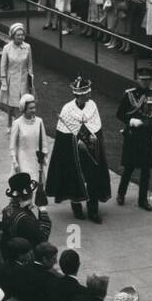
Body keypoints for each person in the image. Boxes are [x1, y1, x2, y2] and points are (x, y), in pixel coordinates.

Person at [45, 78, 110, 223]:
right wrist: (75, 142)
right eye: (87, 93)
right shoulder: (67, 109)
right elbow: (63, 136)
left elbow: (96, 128)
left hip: (91, 152)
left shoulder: (92, 106)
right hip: (74, 154)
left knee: (92, 180)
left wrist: (94, 138)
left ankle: (93, 211)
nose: (89, 95)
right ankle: (77, 208)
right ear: (80, 95)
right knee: (74, 179)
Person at [115, 75, 152, 210]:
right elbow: (120, 113)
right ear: (138, 80)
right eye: (143, 80)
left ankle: (143, 200)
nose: (145, 82)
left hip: (147, 136)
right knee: (129, 167)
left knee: (146, 170)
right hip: (133, 135)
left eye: (148, 80)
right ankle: (121, 194)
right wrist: (130, 121)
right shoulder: (130, 94)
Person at [8, 93, 47, 187]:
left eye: (34, 107)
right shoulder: (17, 124)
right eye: (30, 108)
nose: (34, 110)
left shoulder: (39, 121)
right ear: (24, 109)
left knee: (36, 185)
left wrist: (44, 157)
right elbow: (12, 146)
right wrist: (14, 161)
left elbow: (44, 142)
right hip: (23, 159)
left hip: (36, 160)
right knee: (26, 186)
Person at [0, 23, 33, 107]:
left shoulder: (27, 47)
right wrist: (4, 82)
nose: (21, 37)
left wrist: (31, 82)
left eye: (22, 35)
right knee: (11, 105)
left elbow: (30, 66)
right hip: (12, 81)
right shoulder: (7, 48)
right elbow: (3, 67)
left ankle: (19, 120)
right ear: (13, 36)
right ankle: (10, 120)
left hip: (24, 82)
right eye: (18, 35)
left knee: (23, 105)